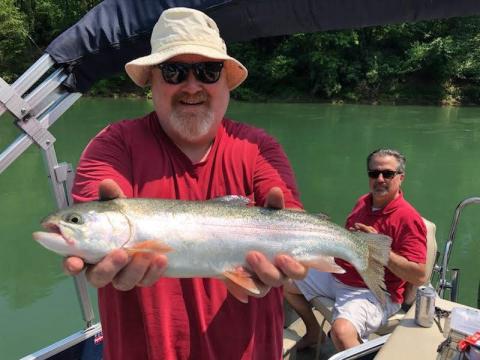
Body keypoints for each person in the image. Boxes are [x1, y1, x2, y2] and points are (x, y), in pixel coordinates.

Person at [63, 7, 307, 360]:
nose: (192, 86)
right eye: (174, 71)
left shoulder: (259, 148)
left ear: (225, 81)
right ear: (152, 82)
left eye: (208, 71)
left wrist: (284, 261)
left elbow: (291, 226)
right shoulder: (112, 145)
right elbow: (96, 228)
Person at [284, 148, 427, 351]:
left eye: (387, 173)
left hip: (374, 291)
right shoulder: (363, 202)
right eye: (373, 173)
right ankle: (314, 332)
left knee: (341, 332)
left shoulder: (408, 219)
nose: (379, 179)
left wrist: (378, 248)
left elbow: (419, 276)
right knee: (285, 276)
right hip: (340, 275)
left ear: (401, 177)